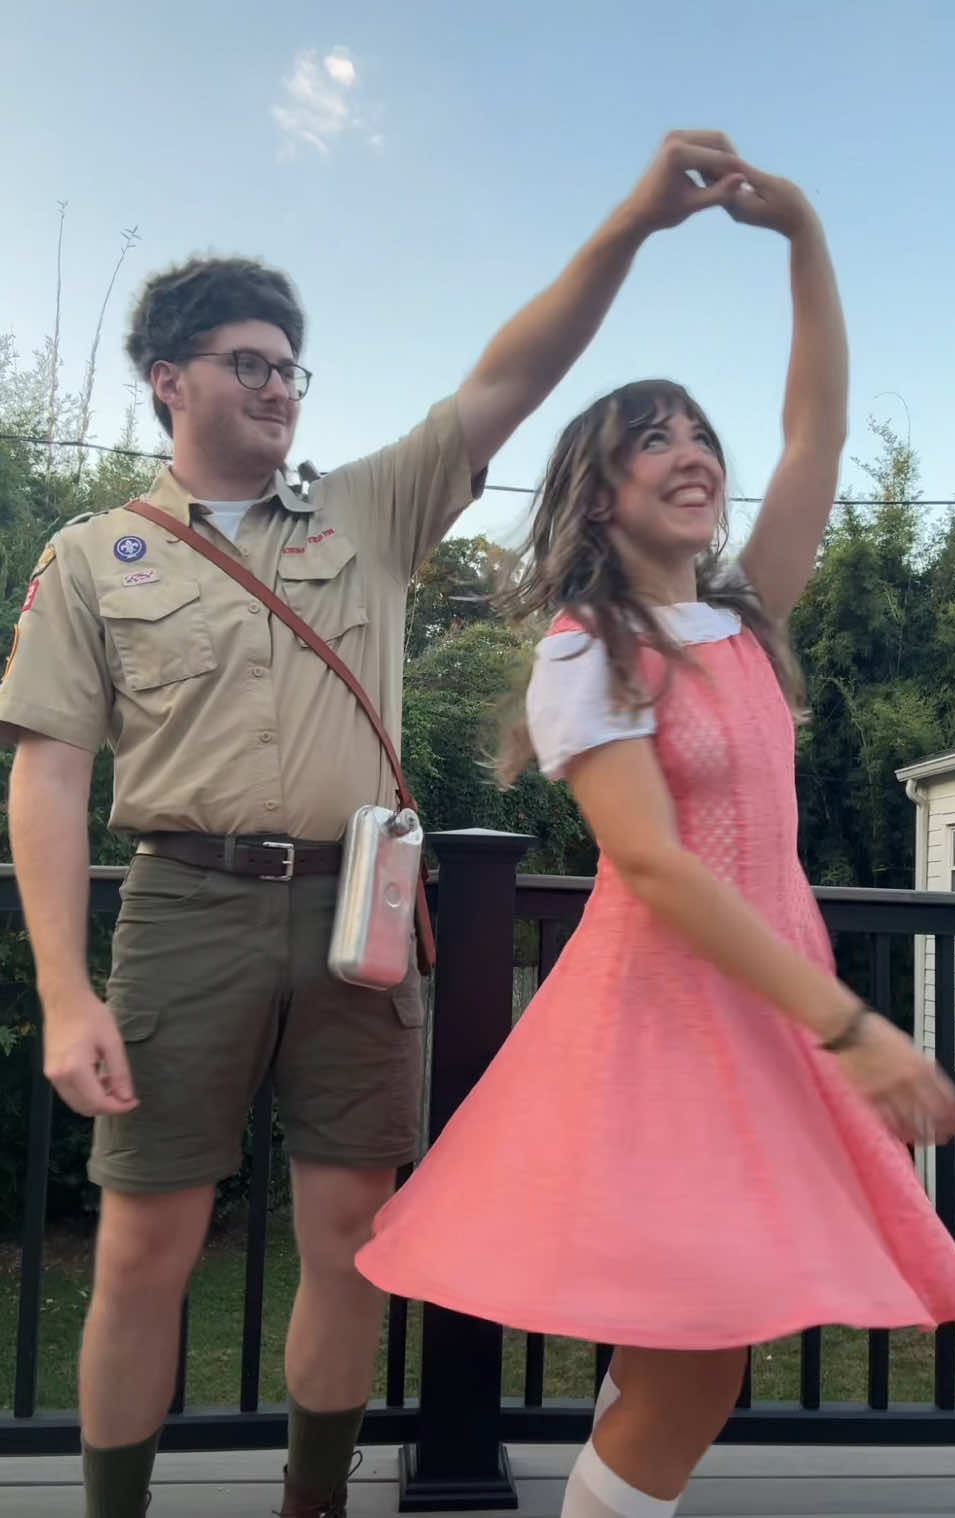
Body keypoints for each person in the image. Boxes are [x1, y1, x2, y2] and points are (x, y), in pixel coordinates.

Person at [0, 132, 754, 1518]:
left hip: (361, 916)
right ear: (169, 380)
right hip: (183, 907)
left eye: (292, 368)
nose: (279, 387)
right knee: (144, 1245)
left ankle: (313, 1503)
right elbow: (47, 778)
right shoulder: (93, 556)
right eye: (249, 362)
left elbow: (515, 374)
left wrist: (634, 222)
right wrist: (64, 990)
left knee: (353, 1235)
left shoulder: (366, 510)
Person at [354, 137, 955, 1518]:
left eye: (700, 434)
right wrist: (851, 1026)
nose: (694, 453)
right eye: (655, 440)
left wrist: (805, 236)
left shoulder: (742, 620)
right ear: (599, 492)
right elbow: (648, 862)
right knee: (698, 1361)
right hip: (662, 1027)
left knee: (684, 1348)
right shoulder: (588, 647)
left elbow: (816, 433)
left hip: (759, 1014)